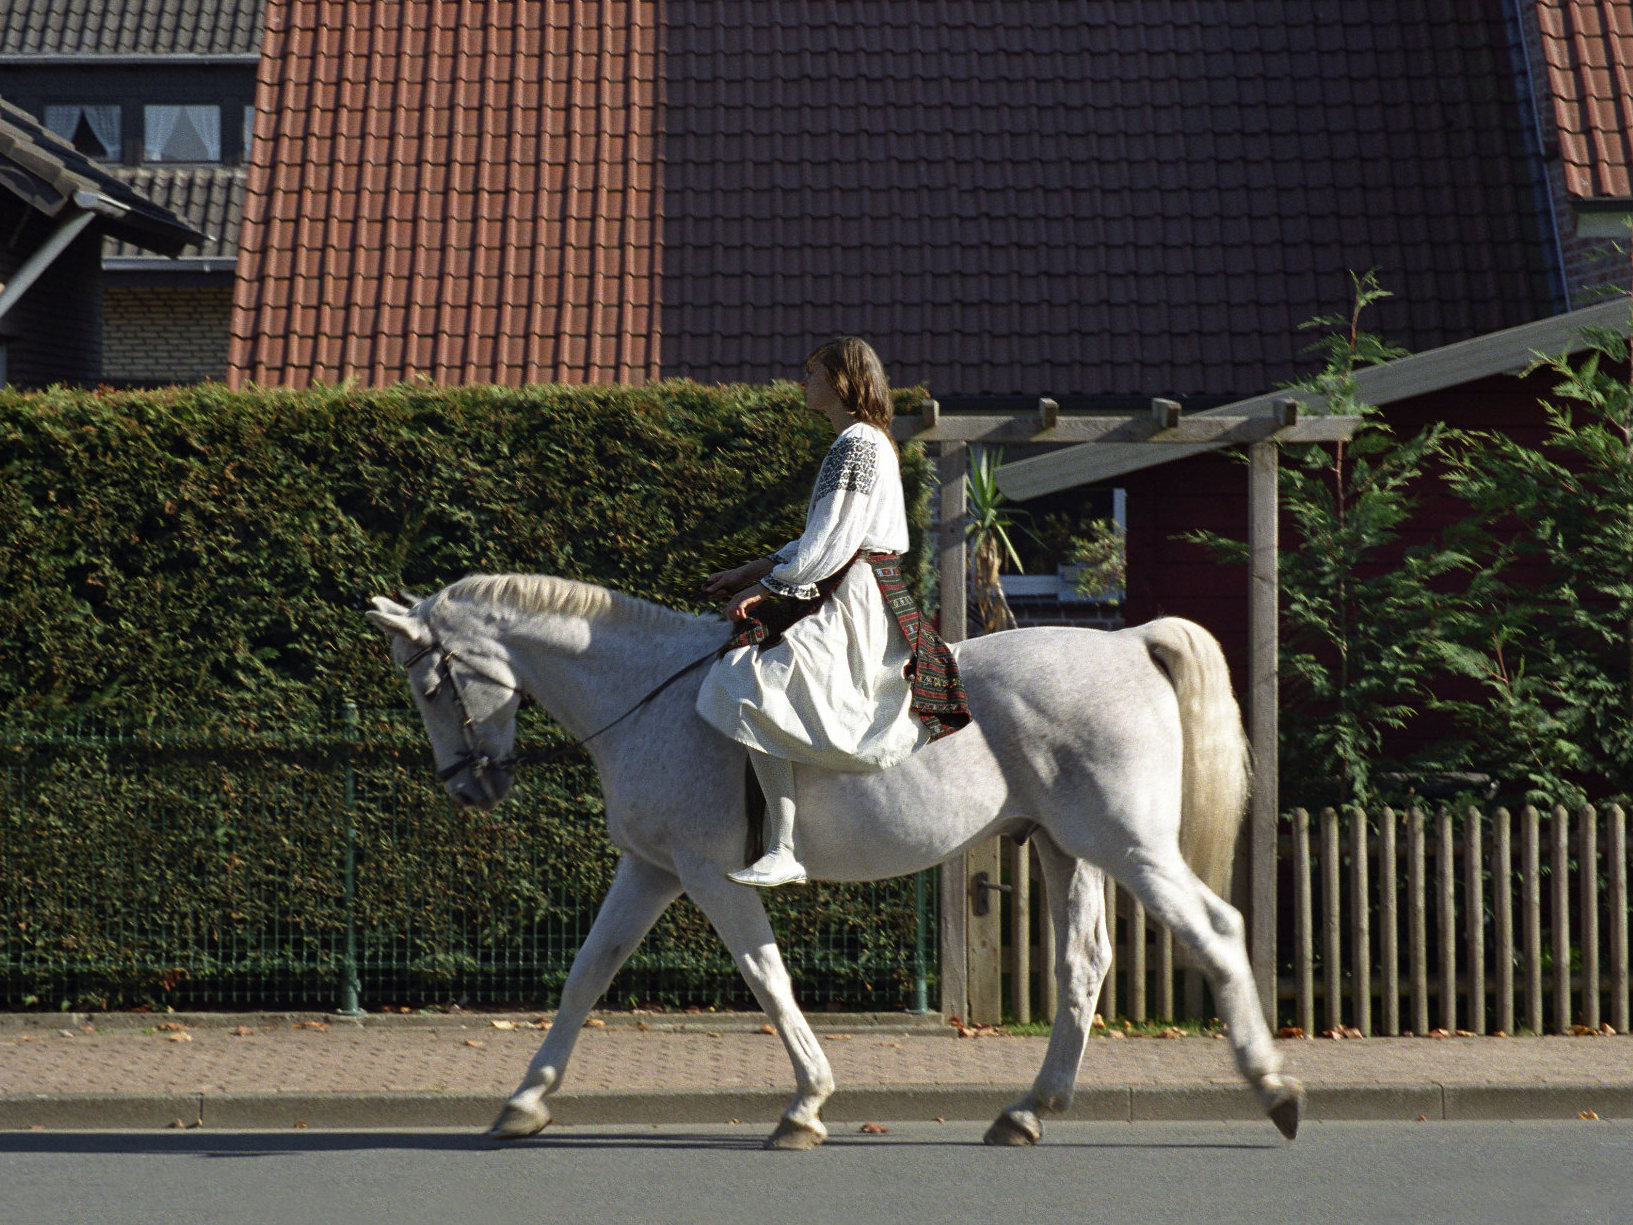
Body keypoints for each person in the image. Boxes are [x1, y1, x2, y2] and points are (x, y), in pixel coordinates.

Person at [697, 336, 968, 887]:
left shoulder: (857, 444)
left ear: (842, 380)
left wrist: (769, 587)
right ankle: (780, 841)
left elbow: (834, 541)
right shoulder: (863, 441)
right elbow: (822, 537)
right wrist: (751, 571)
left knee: (746, 682)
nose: (805, 382)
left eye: (813, 372)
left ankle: (784, 846)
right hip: (855, 583)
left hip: (855, 592)